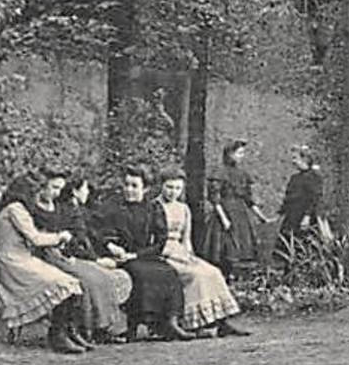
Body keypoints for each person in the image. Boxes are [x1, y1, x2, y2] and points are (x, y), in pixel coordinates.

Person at [31, 172, 133, 345]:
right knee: (88, 280)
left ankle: (102, 327)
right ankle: (85, 329)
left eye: (59, 188)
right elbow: (46, 237)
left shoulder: (64, 208)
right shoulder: (41, 208)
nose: (57, 192)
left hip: (65, 253)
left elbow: (82, 237)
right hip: (47, 256)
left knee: (102, 277)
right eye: (54, 187)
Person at [0, 179, 85, 354]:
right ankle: (58, 336)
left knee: (71, 283)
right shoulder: (15, 209)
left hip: (21, 258)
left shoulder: (15, 209)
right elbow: (35, 238)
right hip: (15, 263)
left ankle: (69, 331)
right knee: (64, 283)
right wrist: (60, 237)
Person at [100, 167, 193, 342]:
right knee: (141, 275)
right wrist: (111, 245)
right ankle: (133, 325)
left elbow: (160, 241)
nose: (129, 190)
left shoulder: (153, 209)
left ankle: (171, 321)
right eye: (126, 185)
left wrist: (137, 254)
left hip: (142, 255)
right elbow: (103, 232)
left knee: (168, 271)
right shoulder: (114, 207)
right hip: (121, 256)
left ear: (145, 189)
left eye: (134, 186)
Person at [156, 166, 250, 337]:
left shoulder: (183, 208)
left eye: (177, 188)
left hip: (180, 251)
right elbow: (153, 240)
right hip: (162, 253)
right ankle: (192, 324)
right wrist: (172, 254)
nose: (173, 192)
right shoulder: (154, 206)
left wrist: (189, 255)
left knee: (212, 272)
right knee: (195, 275)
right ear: (161, 185)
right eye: (169, 187)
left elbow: (186, 238)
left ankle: (222, 321)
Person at [205, 140, 271, 277]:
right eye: (239, 153)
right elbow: (214, 198)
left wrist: (261, 217)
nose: (242, 156)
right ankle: (223, 277)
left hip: (240, 215)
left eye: (243, 153)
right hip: (225, 212)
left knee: (241, 249)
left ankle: (235, 279)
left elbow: (249, 199)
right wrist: (224, 219)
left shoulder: (242, 174)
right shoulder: (219, 172)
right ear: (230, 154)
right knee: (224, 248)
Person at [277, 146, 324, 241]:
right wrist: (281, 214)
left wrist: (307, 216)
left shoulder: (314, 176)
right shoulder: (294, 178)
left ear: (304, 159)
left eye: (295, 158)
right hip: (291, 217)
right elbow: (288, 198)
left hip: (304, 217)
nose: (293, 161)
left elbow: (315, 198)